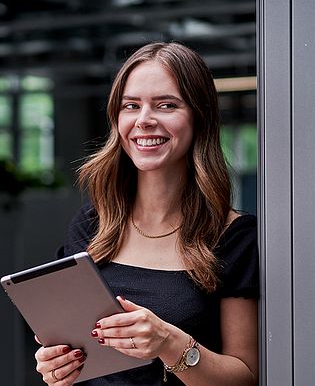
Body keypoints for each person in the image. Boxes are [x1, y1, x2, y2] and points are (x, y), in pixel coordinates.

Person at [33, 41, 258, 385]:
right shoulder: (92, 225)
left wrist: (168, 342)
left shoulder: (235, 236)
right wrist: (58, 369)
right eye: (131, 106)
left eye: (166, 105)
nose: (144, 120)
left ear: (199, 117)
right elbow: (75, 363)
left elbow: (246, 377)